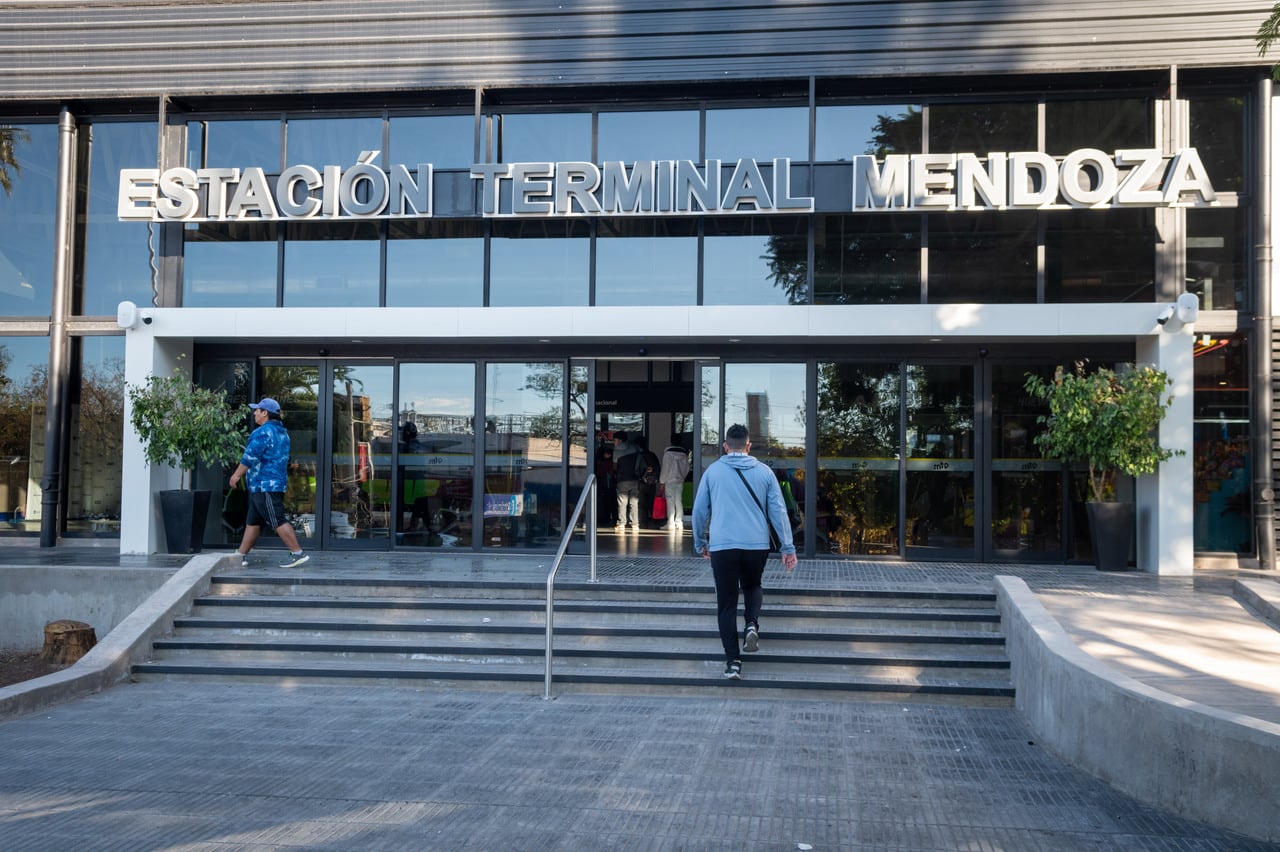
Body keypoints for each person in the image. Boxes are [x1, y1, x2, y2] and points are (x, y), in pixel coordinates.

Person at [692, 423, 797, 680]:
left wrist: (699, 542)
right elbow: (779, 511)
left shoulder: (713, 471)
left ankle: (733, 663)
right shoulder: (764, 472)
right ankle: (751, 624)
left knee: (726, 604)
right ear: (749, 446)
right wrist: (788, 547)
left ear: (726, 446)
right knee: (752, 585)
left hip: (723, 545)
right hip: (756, 544)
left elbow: (699, 511)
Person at [229, 398, 310, 568]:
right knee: (253, 521)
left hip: (264, 485)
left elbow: (249, 457)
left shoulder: (262, 432)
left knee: (277, 520)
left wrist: (236, 475)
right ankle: (240, 555)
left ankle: (298, 553)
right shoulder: (283, 433)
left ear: (265, 413)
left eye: (257, 410)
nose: (254, 413)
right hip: (275, 484)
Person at [658, 435, 691, 530]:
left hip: (669, 481)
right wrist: (682, 477)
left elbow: (665, 469)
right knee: (678, 501)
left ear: (671, 441)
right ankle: (679, 522)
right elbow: (687, 468)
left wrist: (662, 481)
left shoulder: (668, 454)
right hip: (680, 481)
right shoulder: (684, 455)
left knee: (670, 501)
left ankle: (671, 522)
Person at [611, 430, 642, 531]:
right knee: (634, 502)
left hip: (622, 479)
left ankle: (621, 524)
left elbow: (615, 467)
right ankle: (635, 524)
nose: (614, 443)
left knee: (622, 502)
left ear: (619, 440)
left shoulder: (616, 451)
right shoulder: (635, 448)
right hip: (635, 478)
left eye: (614, 440)